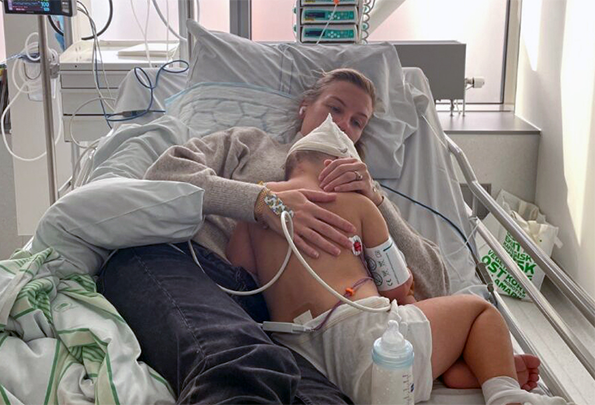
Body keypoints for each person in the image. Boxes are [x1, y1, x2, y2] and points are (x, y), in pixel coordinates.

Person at [96, 68, 449, 404]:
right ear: (305, 107)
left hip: (291, 330)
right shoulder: (250, 143)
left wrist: (376, 199)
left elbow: (435, 284)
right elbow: (164, 174)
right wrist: (262, 202)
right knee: (242, 366)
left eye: (358, 122)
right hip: (196, 271)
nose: (343, 124)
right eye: (335, 108)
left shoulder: (363, 196)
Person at [225, 116, 565, 405]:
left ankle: (465, 366)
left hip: (301, 355)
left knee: (430, 329)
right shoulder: (358, 205)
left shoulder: (258, 205)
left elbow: (241, 272)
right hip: (368, 340)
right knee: (478, 311)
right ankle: (505, 394)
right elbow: (397, 287)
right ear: (338, 167)